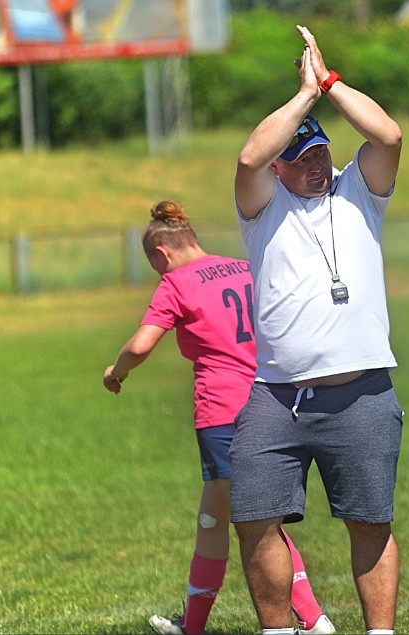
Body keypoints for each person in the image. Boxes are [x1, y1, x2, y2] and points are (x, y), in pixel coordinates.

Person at [231, 24, 404, 635]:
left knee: (370, 522)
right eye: (301, 158)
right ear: (279, 168)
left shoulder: (359, 191)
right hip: (276, 396)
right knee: (255, 518)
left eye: (321, 152)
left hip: (361, 392)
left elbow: (389, 135)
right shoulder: (262, 207)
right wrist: (302, 97)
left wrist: (327, 82)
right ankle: (280, 630)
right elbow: (249, 158)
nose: (316, 165)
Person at [102, 201, 335, 635]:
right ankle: (192, 626)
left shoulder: (176, 282)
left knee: (257, 522)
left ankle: (312, 617)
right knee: (214, 519)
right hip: (269, 401)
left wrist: (116, 371)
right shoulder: (244, 268)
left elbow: (140, 345)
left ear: (161, 254)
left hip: (223, 413)